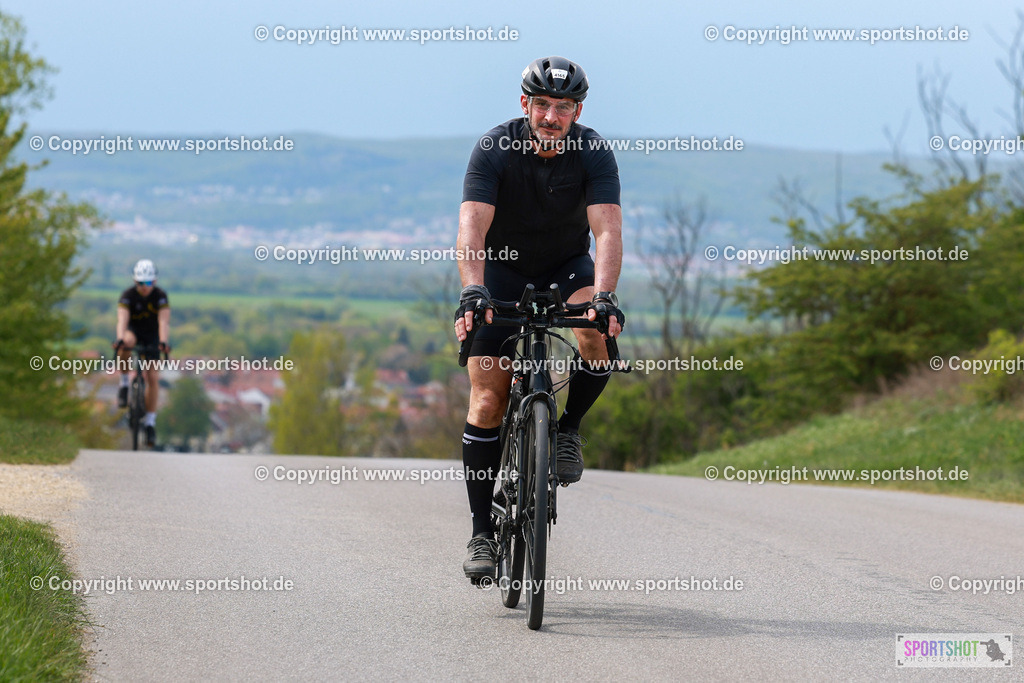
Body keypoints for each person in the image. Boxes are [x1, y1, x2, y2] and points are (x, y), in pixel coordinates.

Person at [454, 56, 625, 579]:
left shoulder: (592, 151)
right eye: (543, 105)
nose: (552, 116)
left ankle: (568, 428)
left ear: (578, 110)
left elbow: (608, 232)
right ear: (524, 103)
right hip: (501, 274)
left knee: (597, 334)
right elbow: (472, 228)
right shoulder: (494, 149)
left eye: (564, 107)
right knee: (487, 397)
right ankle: (482, 533)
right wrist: (473, 291)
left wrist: (605, 296)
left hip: (566, 268)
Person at [114, 259, 171, 448]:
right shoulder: (128, 296)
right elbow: (122, 320)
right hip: (134, 332)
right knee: (126, 344)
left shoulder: (160, 296)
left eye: (148, 283)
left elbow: (163, 322)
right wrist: (120, 338)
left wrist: (163, 342)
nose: (144, 288)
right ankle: (124, 384)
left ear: (154, 282)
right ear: (134, 282)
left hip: (153, 336)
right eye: (140, 283)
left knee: (152, 377)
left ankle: (150, 423)